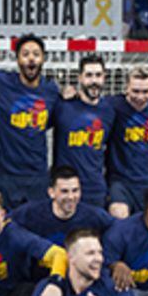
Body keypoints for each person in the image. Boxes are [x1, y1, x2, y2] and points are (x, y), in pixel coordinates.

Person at [0, 35, 60, 207]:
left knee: (35, 229)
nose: (31, 58)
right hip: (6, 175)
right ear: (17, 59)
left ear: (43, 59)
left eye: (36, 54)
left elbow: (52, 121)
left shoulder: (51, 90)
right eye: (26, 54)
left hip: (38, 174)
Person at [52, 55, 115, 208]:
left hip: (95, 188)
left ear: (104, 77)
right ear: (80, 78)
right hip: (66, 189)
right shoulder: (62, 105)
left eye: (98, 75)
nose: (94, 81)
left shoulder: (109, 111)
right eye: (89, 75)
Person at [107, 68, 148, 218]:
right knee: (119, 216)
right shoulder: (113, 105)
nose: (140, 97)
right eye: (135, 91)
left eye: (145, 92)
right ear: (126, 88)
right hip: (120, 181)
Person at [10, 165, 114, 247]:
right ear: (51, 192)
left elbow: (119, 229)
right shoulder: (31, 212)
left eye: (75, 190)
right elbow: (5, 224)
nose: (71, 197)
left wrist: (114, 261)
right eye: (64, 191)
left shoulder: (94, 215)